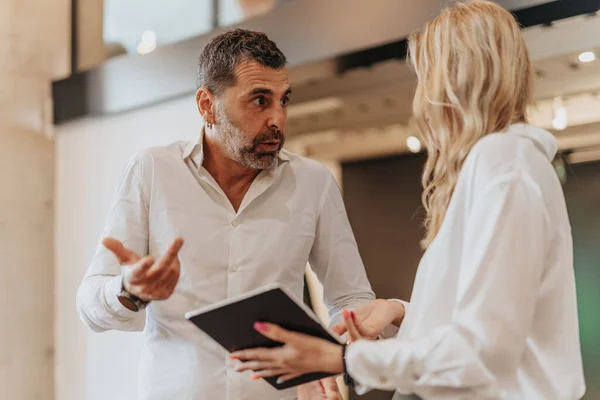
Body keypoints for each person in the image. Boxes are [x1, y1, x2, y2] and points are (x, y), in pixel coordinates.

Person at [230, 2, 587, 399]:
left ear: (455, 81)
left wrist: (341, 361)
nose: (422, 100)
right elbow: (487, 323)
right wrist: (400, 312)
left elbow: (484, 350)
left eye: (426, 79)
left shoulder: (503, 163)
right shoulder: (503, 163)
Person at [76, 29, 403, 400]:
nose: (277, 119)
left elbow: (350, 300)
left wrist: (333, 357)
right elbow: (89, 304)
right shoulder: (151, 170)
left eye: (284, 100)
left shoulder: (314, 183)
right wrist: (129, 290)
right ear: (206, 106)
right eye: (259, 101)